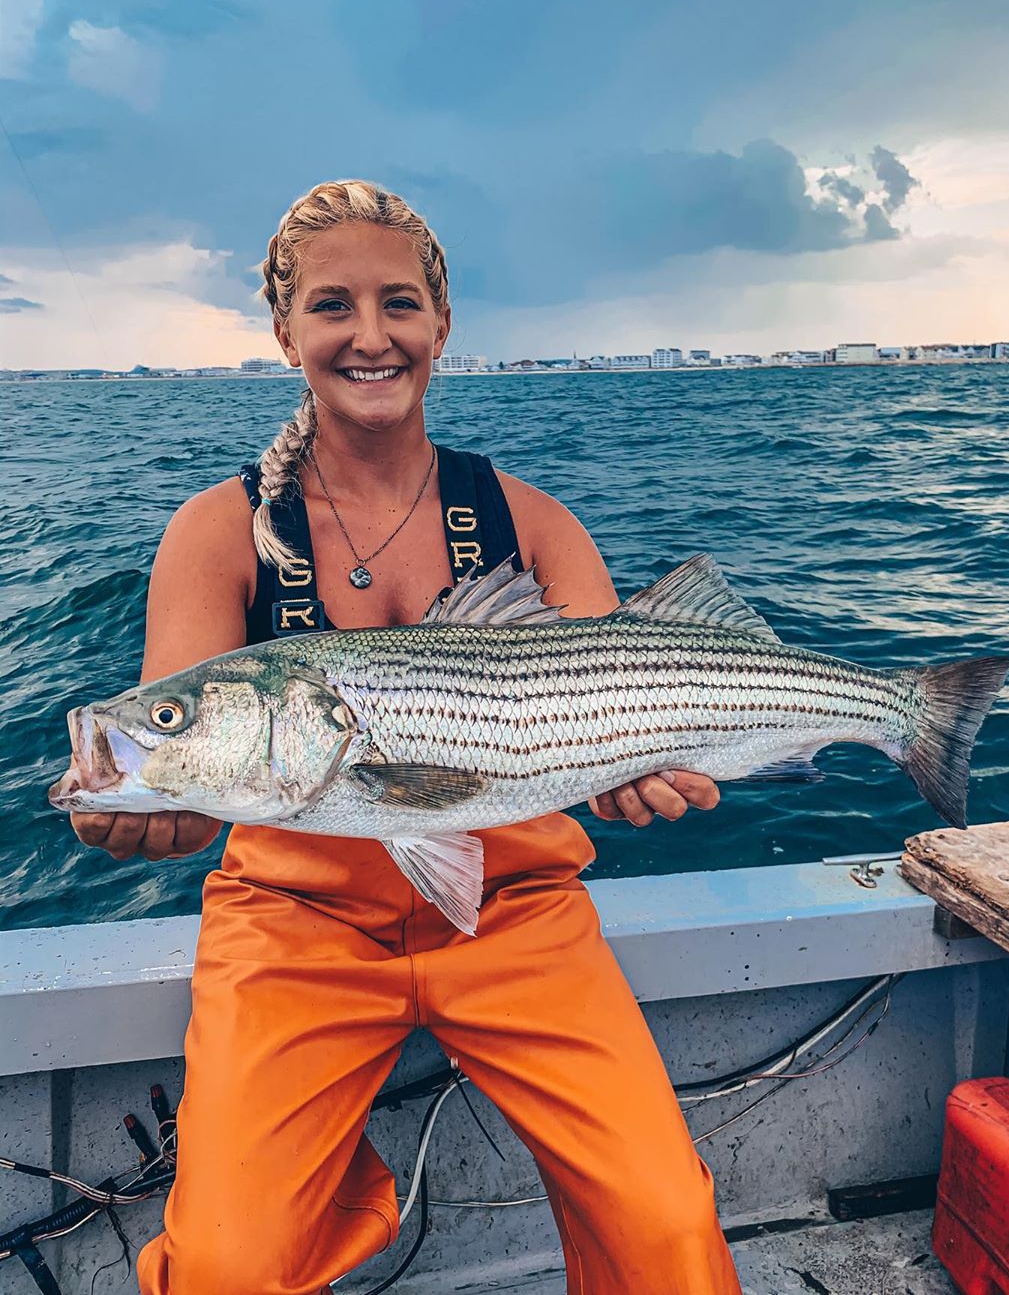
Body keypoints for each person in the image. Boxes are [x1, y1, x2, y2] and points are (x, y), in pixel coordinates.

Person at [70, 180, 742, 1295]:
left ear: (442, 325)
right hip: (296, 923)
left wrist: (642, 778)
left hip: (518, 911)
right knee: (229, 1265)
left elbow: (620, 704)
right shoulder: (216, 533)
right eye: (332, 306)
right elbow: (187, 789)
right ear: (286, 333)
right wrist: (142, 810)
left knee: (667, 1227)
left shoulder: (531, 520)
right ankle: (319, 1184)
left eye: (399, 305)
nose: (370, 336)